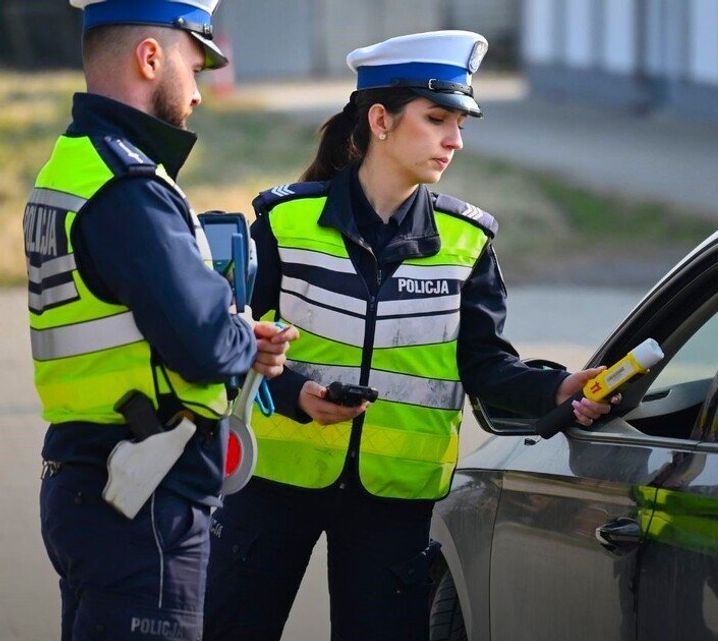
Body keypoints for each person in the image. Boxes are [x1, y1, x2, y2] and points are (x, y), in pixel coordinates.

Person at [202, 31, 614, 641]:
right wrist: (296, 396)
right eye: (438, 119)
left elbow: (486, 366)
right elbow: (231, 342)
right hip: (272, 482)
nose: (454, 139)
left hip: (397, 501)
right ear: (380, 120)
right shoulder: (284, 223)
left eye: (461, 124)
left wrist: (556, 390)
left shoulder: (467, 241)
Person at [24, 1, 300, 638]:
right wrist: (241, 335)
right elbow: (202, 342)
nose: (200, 93)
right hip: (142, 497)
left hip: (93, 477)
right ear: (151, 58)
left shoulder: (73, 166)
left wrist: (228, 334)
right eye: (194, 65)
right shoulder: (128, 186)